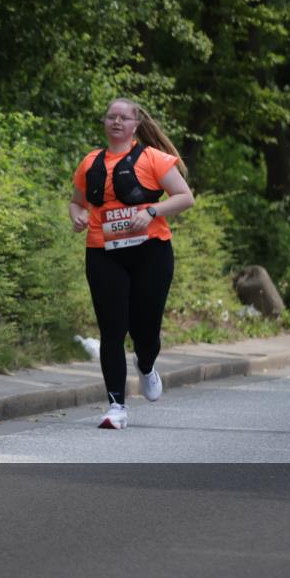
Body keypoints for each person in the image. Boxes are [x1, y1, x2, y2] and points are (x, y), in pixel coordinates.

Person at [69, 98, 194, 430]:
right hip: (103, 252)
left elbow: (185, 197)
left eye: (123, 118)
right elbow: (77, 202)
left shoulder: (153, 159)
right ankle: (116, 407)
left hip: (151, 252)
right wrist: (77, 216)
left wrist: (151, 211)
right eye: (111, 117)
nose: (116, 122)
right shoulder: (90, 162)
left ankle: (147, 364)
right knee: (112, 329)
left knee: (145, 330)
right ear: (104, 122)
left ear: (136, 124)